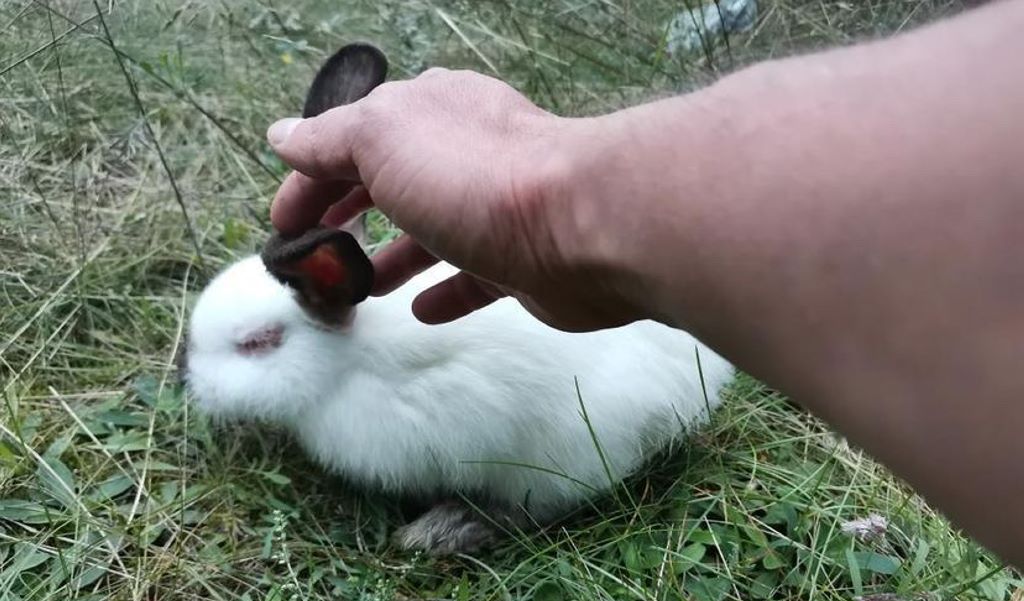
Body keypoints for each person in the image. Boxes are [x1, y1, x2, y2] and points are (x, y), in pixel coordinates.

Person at [265, 0, 1024, 565]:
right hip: (636, 329)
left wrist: (548, 205)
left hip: (631, 381)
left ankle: (522, 512)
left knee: (567, 443)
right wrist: (548, 209)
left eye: (259, 343)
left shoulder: (359, 414)